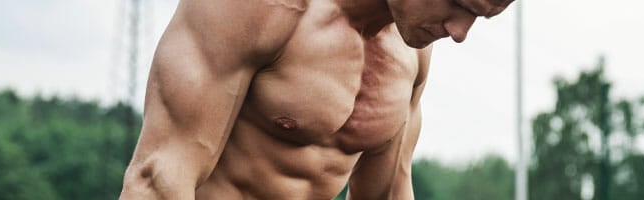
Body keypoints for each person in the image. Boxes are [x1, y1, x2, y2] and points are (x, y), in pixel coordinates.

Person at [119, 0, 513, 199]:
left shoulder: (411, 52)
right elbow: (158, 179)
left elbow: (387, 193)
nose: (460, 32)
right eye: (460, 4)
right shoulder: (260, 9)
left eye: (482, 16)